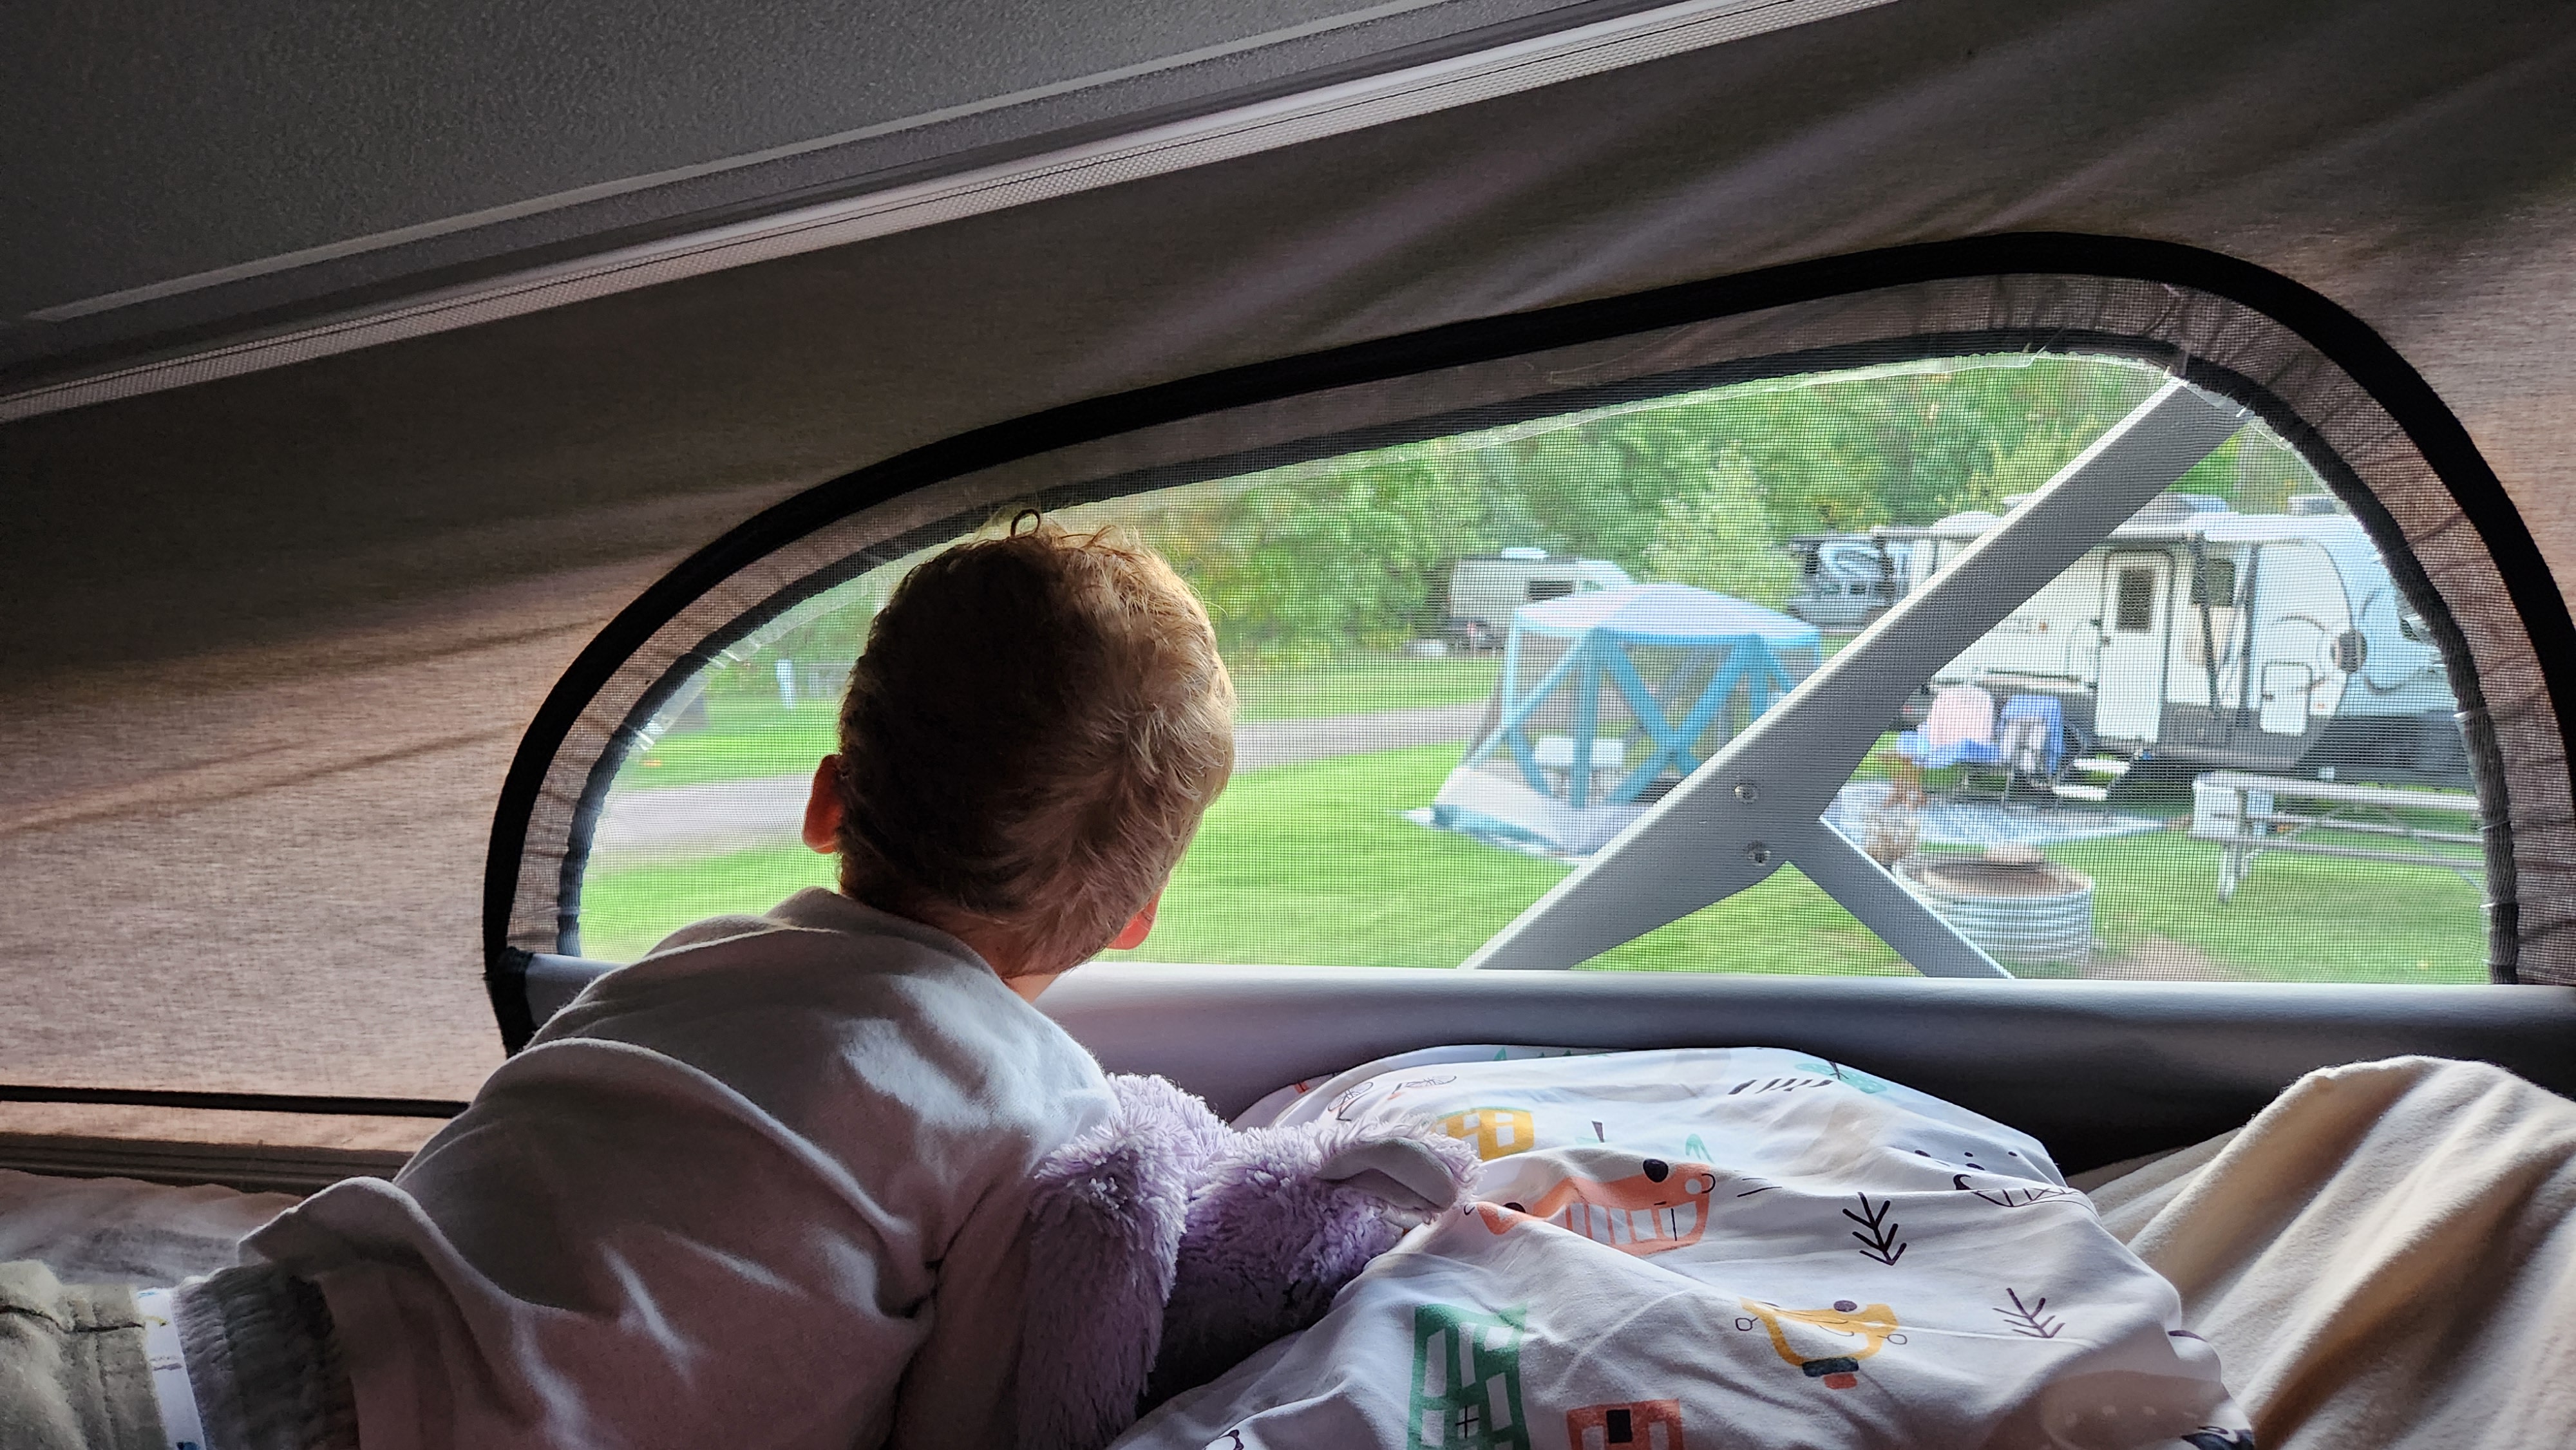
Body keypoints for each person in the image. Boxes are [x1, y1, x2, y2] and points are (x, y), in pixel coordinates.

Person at [10, 516, 1234, 1450]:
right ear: (1137, 917)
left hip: (190, 1338)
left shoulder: (687, 961)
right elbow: (967, 1421)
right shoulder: (1039, 1109)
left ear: (826, 804)